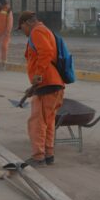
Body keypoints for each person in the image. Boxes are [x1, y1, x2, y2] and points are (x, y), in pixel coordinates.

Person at [18, 11, 65, 166]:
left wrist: (38, 75)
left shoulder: (37, 31)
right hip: (52, 83)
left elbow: (45, 52)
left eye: (22, 28)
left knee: (37, 122)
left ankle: (38, 156)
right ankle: (48, 154)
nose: (23, 32)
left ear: (27, 23)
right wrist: (33, 86)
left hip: (47, 83)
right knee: (48, 121)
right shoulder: (44, 30)